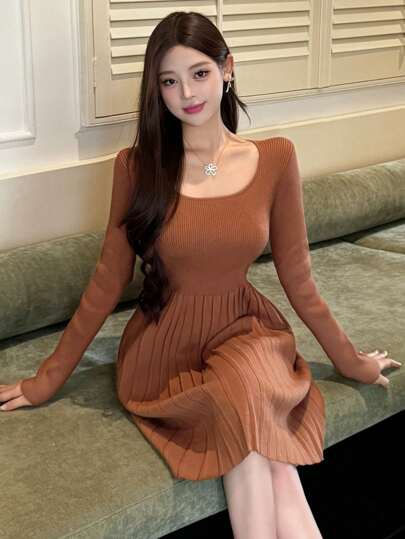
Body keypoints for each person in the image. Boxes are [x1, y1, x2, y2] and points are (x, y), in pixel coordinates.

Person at [1, 11, 401, 539]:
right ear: (156, 90)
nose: (186, 93)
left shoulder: (275, 158)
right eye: (169, 81)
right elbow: (106, 281)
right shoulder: (136, 168)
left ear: (227, 69)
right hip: (164, 349)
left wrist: (352, 362)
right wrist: (45, 380)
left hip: (246, 332)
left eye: (199, 73)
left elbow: (298, 277)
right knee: (255, 432)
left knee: (252, 418)